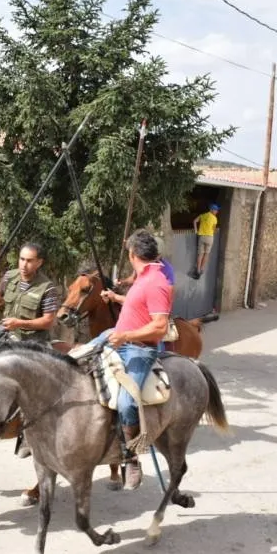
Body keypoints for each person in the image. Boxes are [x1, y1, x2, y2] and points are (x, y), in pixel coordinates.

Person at [88, 229, 171, 490]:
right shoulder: (143, 277)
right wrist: (116, 298)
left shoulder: (157, 282)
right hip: (116, 335)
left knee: (126, 403)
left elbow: (159, 327)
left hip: (139, 349)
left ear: (133, 254)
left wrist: (126, 336)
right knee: (74, 359)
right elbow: (138, 304)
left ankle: (131, 458)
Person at [0, 243, 60, 343]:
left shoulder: (47, 287)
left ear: (39, 263)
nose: (24, 264)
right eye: (22, 259)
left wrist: (19, 323)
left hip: (31, 341)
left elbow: (48, 321)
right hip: (4, 333)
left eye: (29, 261)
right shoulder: (10, 276)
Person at [191, 203, 219, 279]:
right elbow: (213, 229)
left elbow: (194, 221)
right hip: (210, 237)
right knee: (206, 254)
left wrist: (196, 230)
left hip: (202, 237)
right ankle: (202, 269)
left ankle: (198, 270)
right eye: (216, 210)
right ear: (212, 210)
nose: (217, 211)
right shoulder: (215, 218)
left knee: (200, 254)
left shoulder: (203, 215)